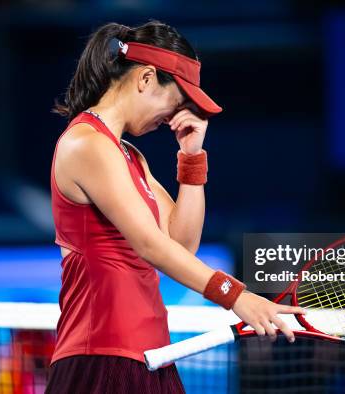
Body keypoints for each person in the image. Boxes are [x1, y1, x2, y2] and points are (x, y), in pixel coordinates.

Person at [45, 20, 305, 394]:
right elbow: (151, 246)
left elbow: (181, 245)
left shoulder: (128, 155)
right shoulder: (87, 144)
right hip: (102, 356)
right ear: (146, 79)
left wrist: (191, 156)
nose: (175, 116)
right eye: (177, 101)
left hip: (151, 356)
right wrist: (236, 297)